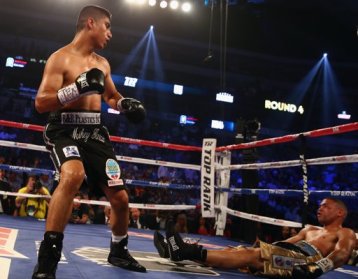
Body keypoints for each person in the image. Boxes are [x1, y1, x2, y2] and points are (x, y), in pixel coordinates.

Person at [32, 5, 146, 278]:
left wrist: (124, 103)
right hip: (64, 128)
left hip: (94, 132)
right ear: (91, 23)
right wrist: (76, 88)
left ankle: (118, 251)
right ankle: (47, 262)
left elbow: (110, 97)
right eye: (107, 26)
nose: (110, 33)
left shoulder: (103, 63)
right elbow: (41, 103)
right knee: (72, 175)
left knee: (120, 198)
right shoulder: (60, 59)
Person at [154, 198, 356, 278]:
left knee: (253, 256)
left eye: (326, 206)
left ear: (340, 213)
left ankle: (184, 251)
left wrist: (316, 269)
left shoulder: (344, 232)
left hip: (305, 262)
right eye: (320, 205)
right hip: (290, 255)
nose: (320, 208)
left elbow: (342, 254)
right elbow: (283, 245)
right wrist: (266, 247)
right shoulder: (309, 229)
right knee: (239, 251)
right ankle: (177, 252)